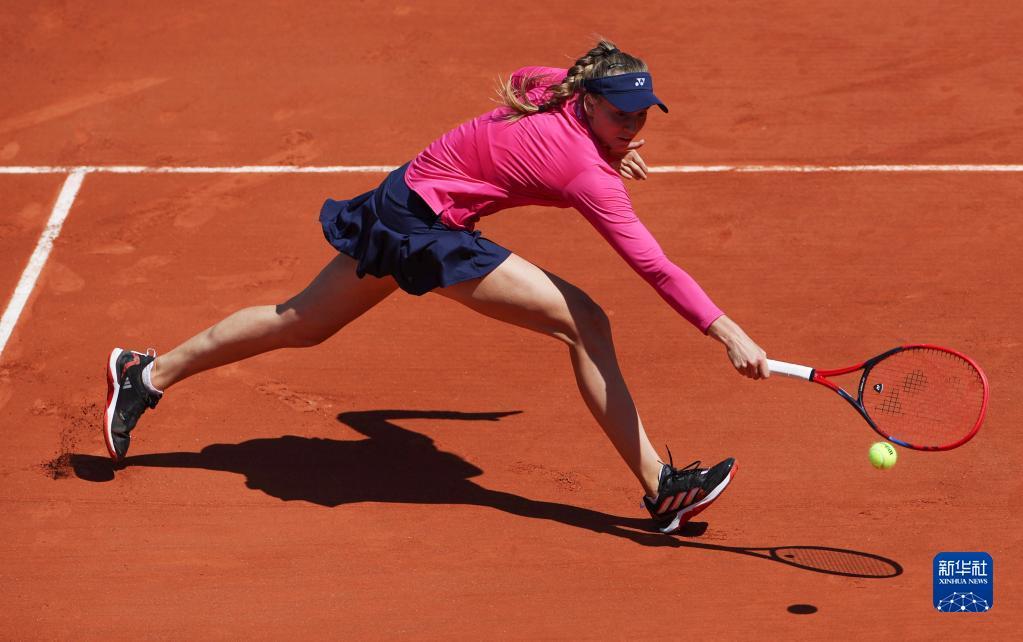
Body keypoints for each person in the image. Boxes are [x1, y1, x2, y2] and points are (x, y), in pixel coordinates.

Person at [104, 39, 769, 535]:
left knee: (301, 322)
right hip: (425, 227)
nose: (633, 126)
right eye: (621, 114)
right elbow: (653, 265)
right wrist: (727, 332)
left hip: (402, 198)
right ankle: (660, 487)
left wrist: (610, 142)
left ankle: (144, 373)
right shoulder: (582, 170)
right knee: (584, 320)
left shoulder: (557, 89)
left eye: (642, 116)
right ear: (589, 102)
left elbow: (523, 76)